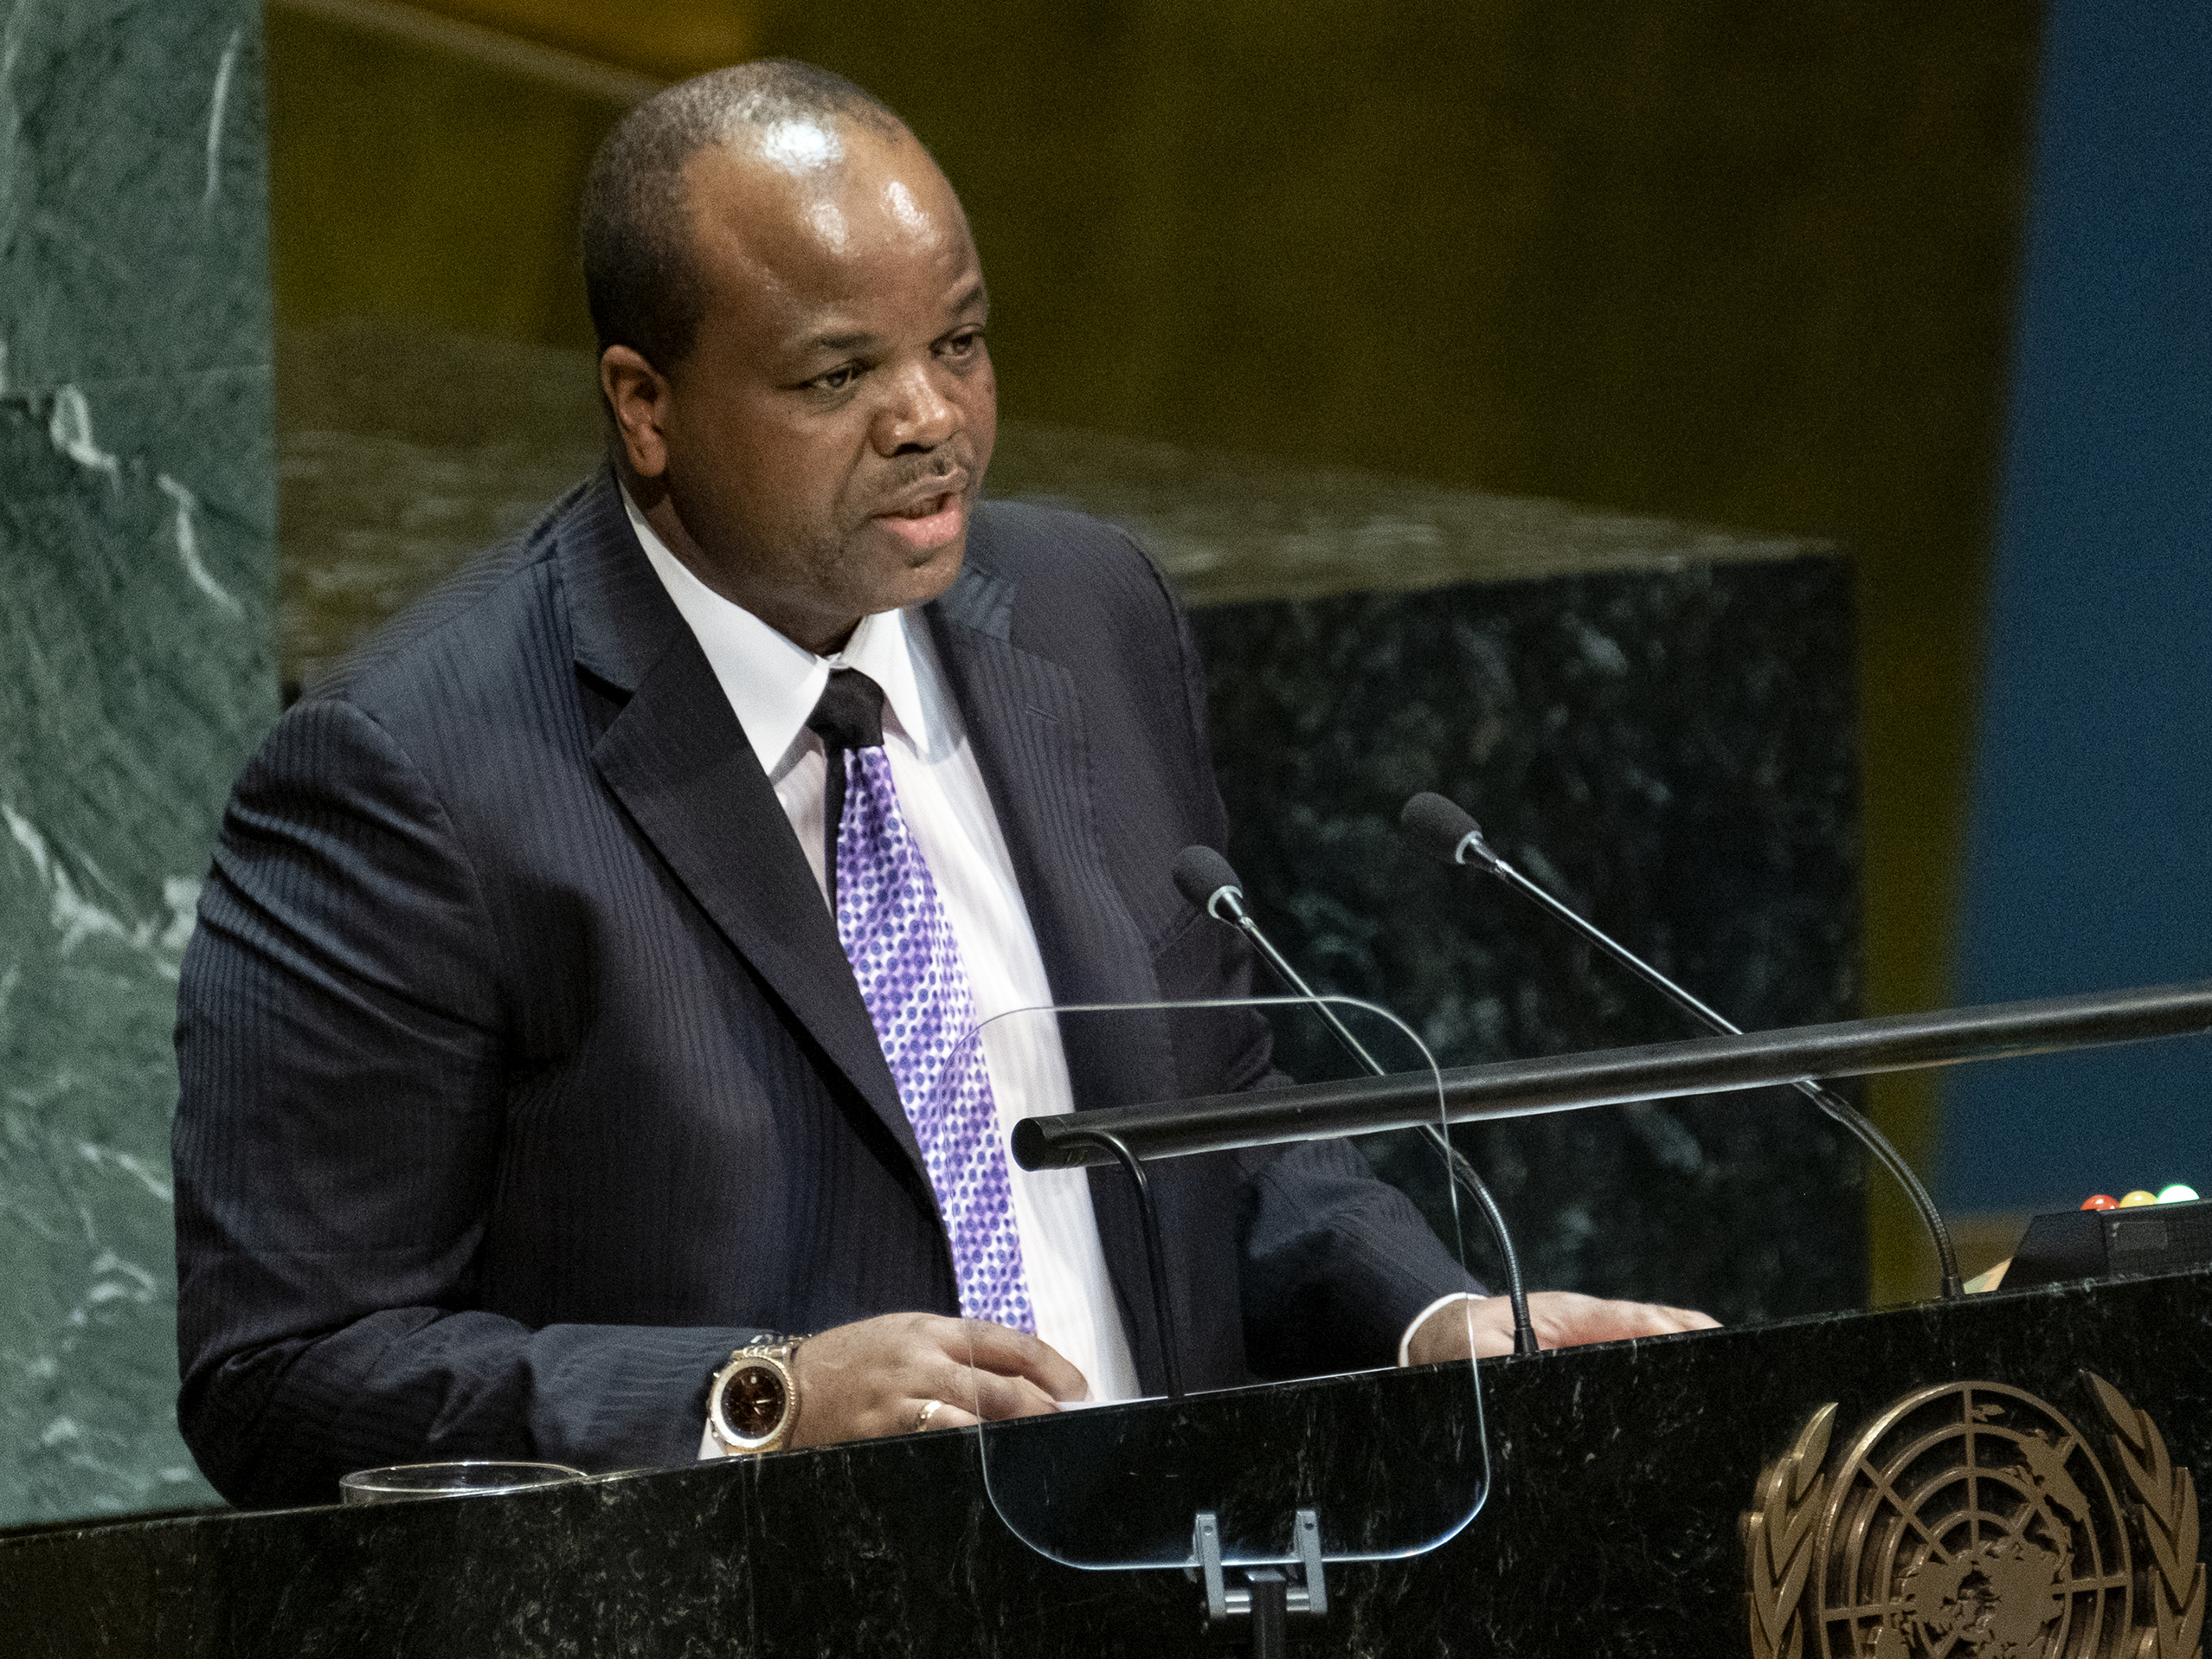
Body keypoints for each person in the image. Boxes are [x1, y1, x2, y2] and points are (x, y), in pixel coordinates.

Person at [170, 61, 1711, 1508]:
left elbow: (1220, 1118)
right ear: (645, 405)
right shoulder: (410, 774)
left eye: (958, 344)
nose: (931, 421)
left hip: (1170, 1575)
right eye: (839, 372)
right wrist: (755, 1399)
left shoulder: (1089, 614)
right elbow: (286, 1373)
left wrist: (1430, 1315)